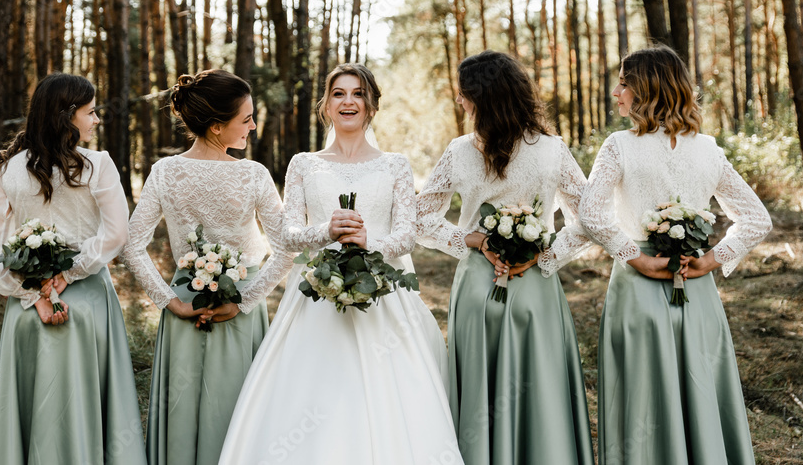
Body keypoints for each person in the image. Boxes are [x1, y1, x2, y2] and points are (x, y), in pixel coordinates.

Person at [217, 63, 463, 465]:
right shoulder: (303, 163)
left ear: (371, 106)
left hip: (381, 297)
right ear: (326, 106)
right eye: (338, 94)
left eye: (357, 93)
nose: (348, 101)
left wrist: (370, 241)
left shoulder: (395, 165)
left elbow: (407, 235)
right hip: (316, 296)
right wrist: (326, 231)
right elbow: (288, 235)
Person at [580, 46, 772, 465]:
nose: (617, 93)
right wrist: (709, 260)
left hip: (638, 286)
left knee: (644, 393)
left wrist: (637, 258)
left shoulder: (619, 146)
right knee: (697, 386)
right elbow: (756, 219)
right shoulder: (708, 149)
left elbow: (590, 212)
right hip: (696, 288)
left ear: (646, 88)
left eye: (624, 83)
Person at [415, 50, 594, 465]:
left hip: (479, 286)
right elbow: (590, 218)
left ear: (480, 97)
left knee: (482, 393)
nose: (460, 101)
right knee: (540, 384)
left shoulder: (459, 151)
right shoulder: (553, 149)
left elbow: (420, 216)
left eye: (463, 94)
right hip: (535, 287)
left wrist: (471, 241)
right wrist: (545, 255)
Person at [118, 69, 285, 465]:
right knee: (235, 408)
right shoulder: (253, 174)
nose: (253, 126)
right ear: (215, 126)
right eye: (245, 118)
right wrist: (244, 301)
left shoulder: (165, 171)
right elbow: (285, 251)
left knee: (187, 409)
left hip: (186, 306)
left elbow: (131, 246)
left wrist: (170, 301)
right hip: (237, 307)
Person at [0, 73, 145, 464]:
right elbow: (116, 234)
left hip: (28, 307)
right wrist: (69, 274)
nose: (97, 120)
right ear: (67, 117)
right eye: (91, 112)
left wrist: (32, 294)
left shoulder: (8, 169)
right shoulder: (98, 165)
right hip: (87, 304)